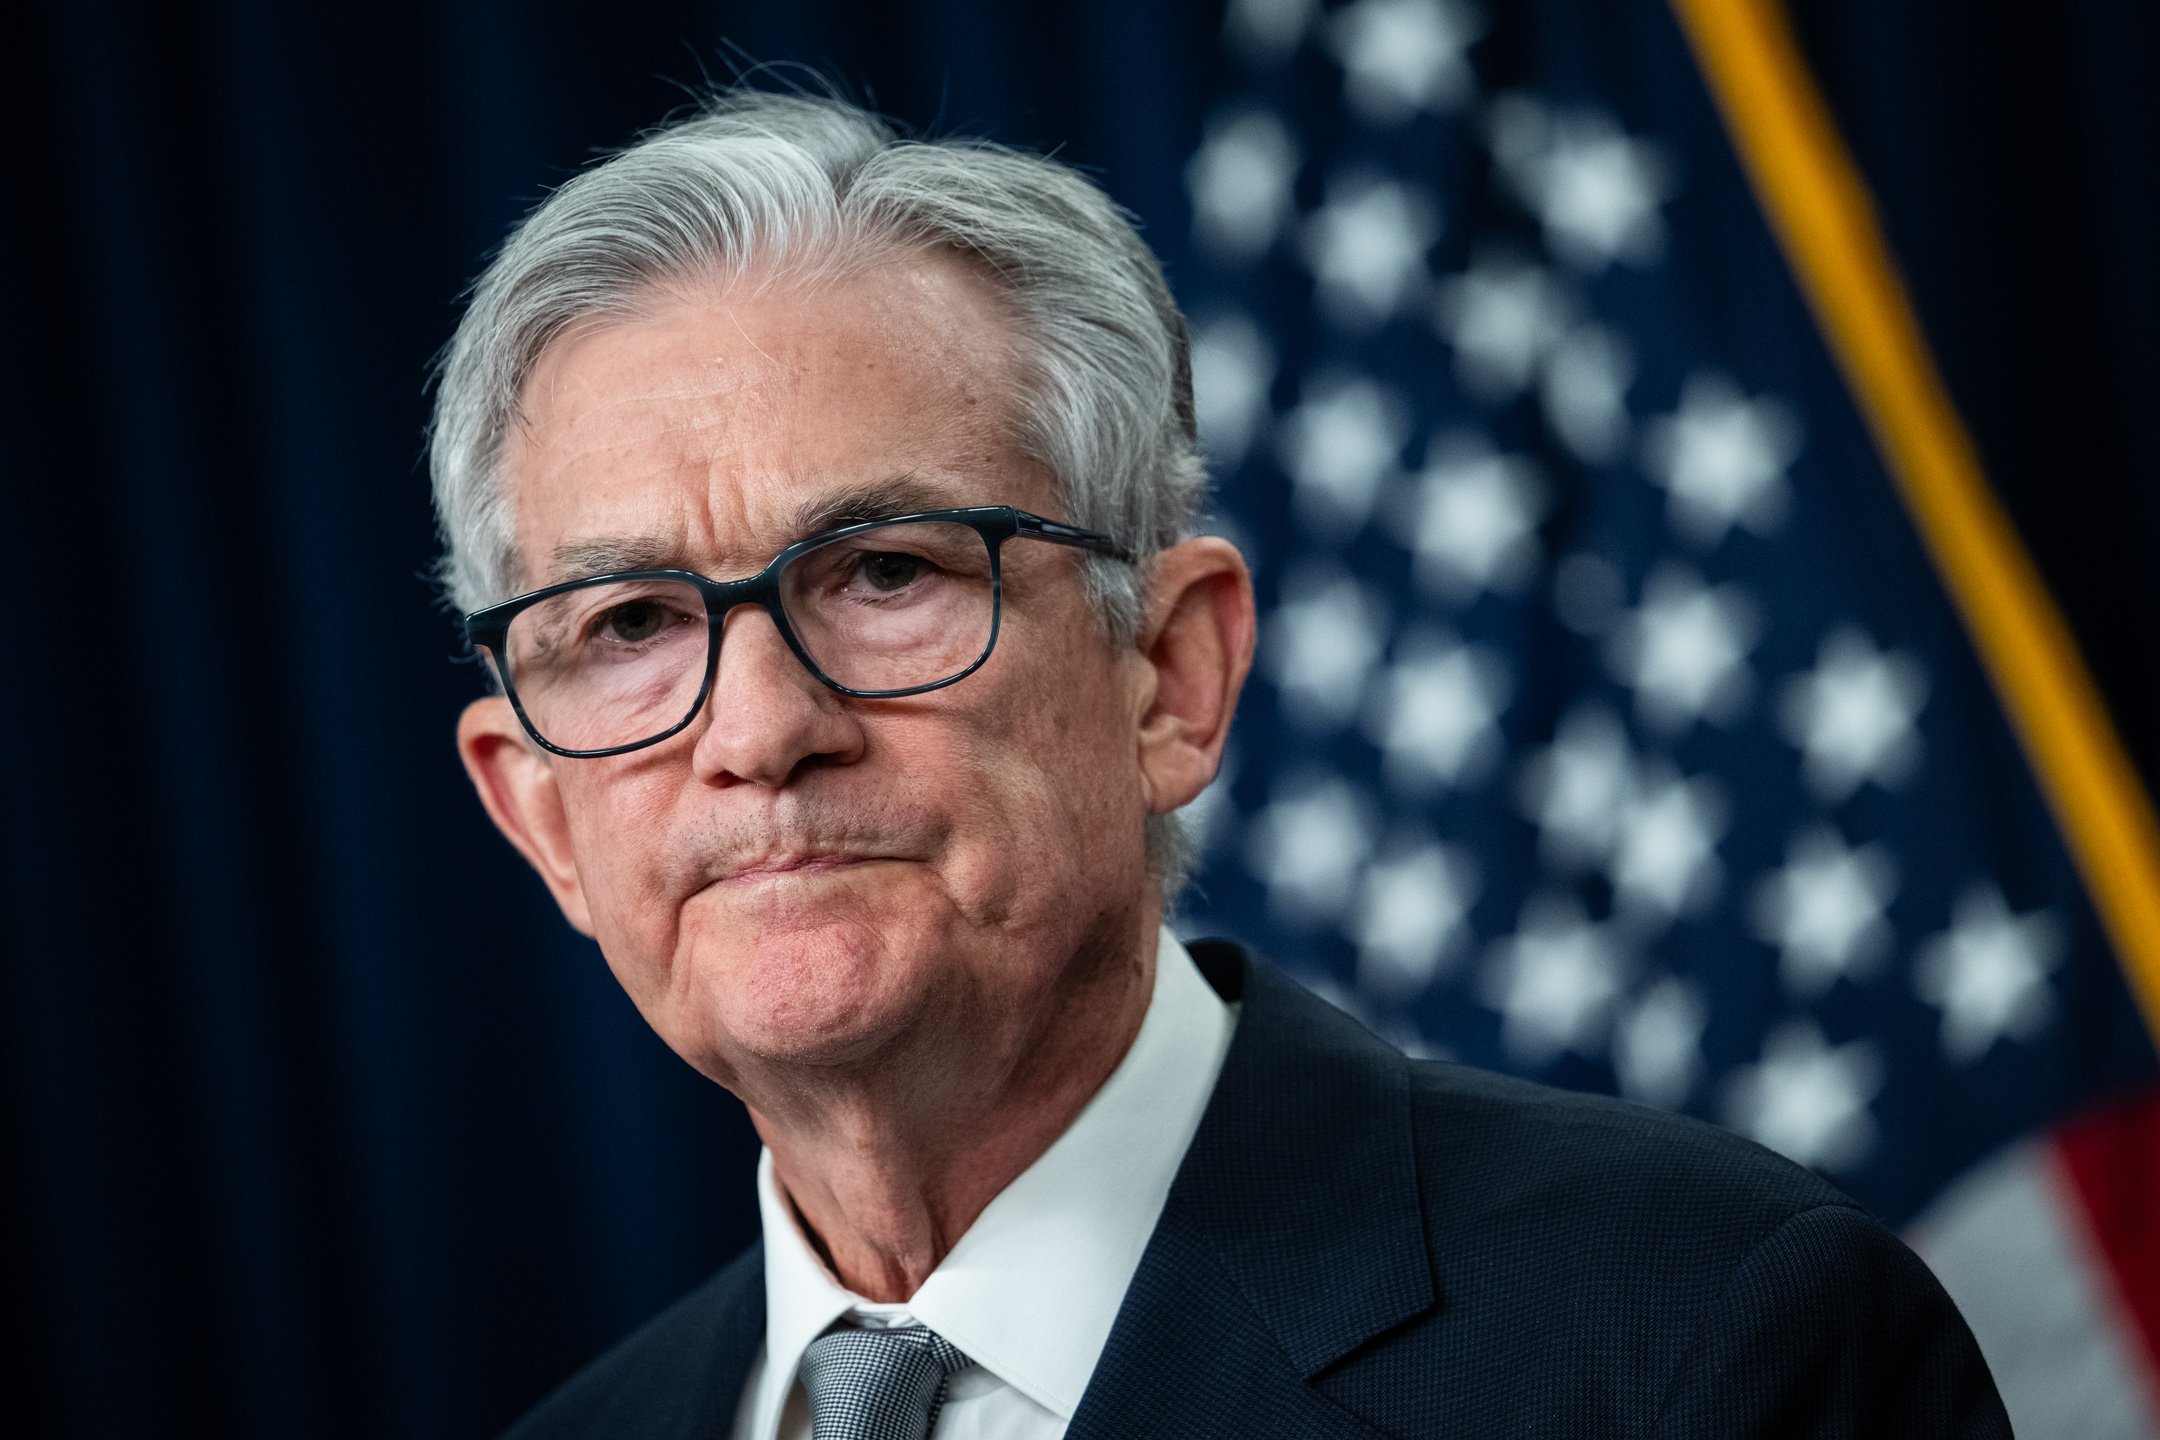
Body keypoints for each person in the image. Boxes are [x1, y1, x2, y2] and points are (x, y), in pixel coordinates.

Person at [433, 88, 2010, 1439]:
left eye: (888, 574)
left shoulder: (1701, 1340)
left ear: (1170, 676)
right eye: (630, 620)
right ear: (538, 813)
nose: (762, 731)